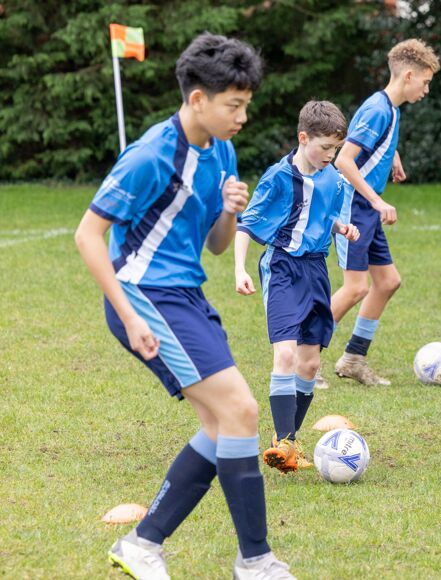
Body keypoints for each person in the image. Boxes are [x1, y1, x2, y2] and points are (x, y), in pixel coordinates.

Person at [74, 33, 294, 579]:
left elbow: (217, 246)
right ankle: (256, 560)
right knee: (240, 410)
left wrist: (227, 211)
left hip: (187, 297)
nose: (242, 117)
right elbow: (87, 235)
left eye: (246, 105)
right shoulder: (150, 155)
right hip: (145, 299)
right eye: (233, 106)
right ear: (198, 99)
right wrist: (128, 315)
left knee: (224, 426)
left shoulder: (221, 150)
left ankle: (143, 543)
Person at [234, 100, 359, 474]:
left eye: (336, 149)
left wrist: (341, 228)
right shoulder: (277, 178)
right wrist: (239, 268)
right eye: (324, 147)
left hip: (316, 271)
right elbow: (247, 224)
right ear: (303, 138)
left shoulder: (334, 179)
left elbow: (326, 214)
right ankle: (283, 442)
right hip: (283, 268)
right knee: (286, 355)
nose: (330, 155)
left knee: (310, 363)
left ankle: (289, 441)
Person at [330, 39, 440, 386]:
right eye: (425, 82)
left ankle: (353, 359)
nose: (426, 89)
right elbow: (343, 159)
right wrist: (377, 202)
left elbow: (369, 142)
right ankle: (301, 357)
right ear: (408, 75)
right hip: (354, 207)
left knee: (388, 282)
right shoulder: (378, 107)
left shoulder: (390, 109)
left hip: (368, 207)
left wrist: (392, 156)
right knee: (354, 289)